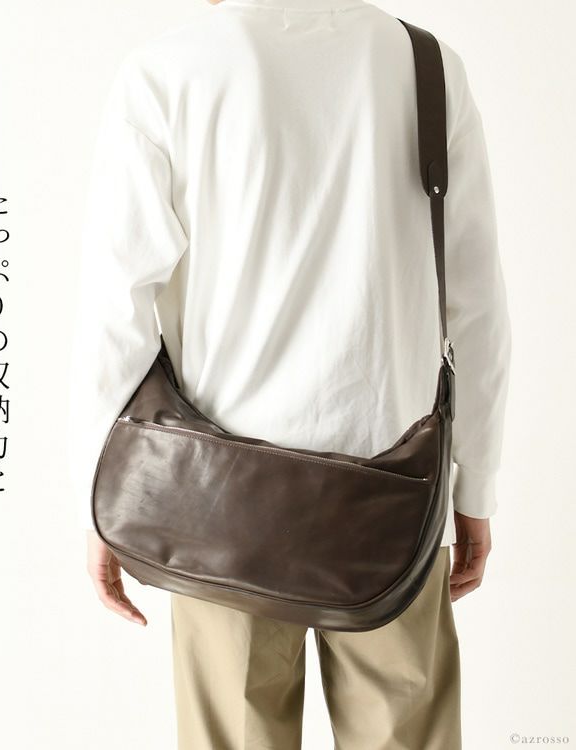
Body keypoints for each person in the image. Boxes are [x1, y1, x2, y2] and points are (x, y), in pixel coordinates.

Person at [71, 0, 512, 747]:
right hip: (394, 509)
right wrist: (477, 486)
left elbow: (117, 311)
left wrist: (99, 497)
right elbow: (475, 306)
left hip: (217, 510)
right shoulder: (427, 68)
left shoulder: (168, 71)